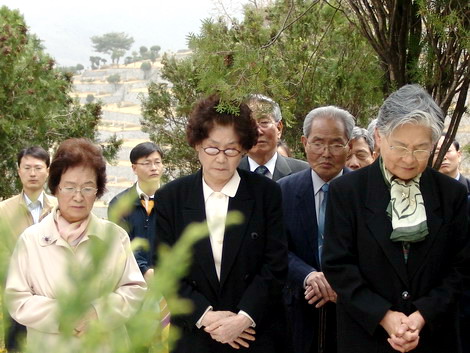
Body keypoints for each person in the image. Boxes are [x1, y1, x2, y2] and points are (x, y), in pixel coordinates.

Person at [322, 84, 469, 353]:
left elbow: (461, 267)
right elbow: (338, 264)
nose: (409, 159)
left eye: (421, 148)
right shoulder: (347, 192)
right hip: (366, 336)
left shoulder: (452, 195)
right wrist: (385, 316)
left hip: (434, 336)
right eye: (399, 146)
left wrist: (421, 315)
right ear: (378, 137)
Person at [155, 95, 289, 353]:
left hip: (255, 333)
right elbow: (165, 270)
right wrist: (207, 317)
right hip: (194, 334)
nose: (220, 158)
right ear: (197, 145)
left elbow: (275, 264)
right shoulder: (170, 197)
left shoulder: (266, 193)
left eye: (231, 149)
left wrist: (243, 318)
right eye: (212, 148)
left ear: (244, 148)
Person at [4, 138, 147, 352]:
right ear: (55, 188)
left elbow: (134, 289)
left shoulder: (114, 237)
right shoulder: (31, 239)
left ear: (98, 190)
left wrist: (97, 313)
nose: (78, 197)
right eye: (69, 187)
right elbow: (17, 298)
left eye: (88, 188)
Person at [278, 106, 354, 353]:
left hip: (351, 310)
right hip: (297, 310)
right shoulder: (282, 191)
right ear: (304, 143)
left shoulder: (366, 192)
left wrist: (339, 283)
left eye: (336, 144)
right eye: (318, 143)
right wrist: (309, 275)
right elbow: (275, 248)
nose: (326, 153)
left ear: (349, 146)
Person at [0, 146, 57, 352]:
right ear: (18, 170)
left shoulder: (59, 208)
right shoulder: (3, 211)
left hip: (54, 297)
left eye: (38, 167)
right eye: (27, 168)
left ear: (48, 170)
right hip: (17, 297)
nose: (33, 173)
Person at [433, 134, 470, 353]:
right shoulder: (424, 195)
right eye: (436, 152)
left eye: (447, 150)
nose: (442, 156)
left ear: (459, 154)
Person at [108, 142, 164, 280]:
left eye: (157, 162)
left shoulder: (172, 200)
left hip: (167, 280)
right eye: (147, 163)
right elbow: (122, 243)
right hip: (130, 280)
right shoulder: (120, 203)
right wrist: (144, 270)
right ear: (134, 168)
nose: (154, 168)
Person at [238, 94, 309, 180]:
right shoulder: (230, 172)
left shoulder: (304, 173)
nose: (257, 131)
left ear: (279, 128)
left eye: (264, 122)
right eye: (249, 124)